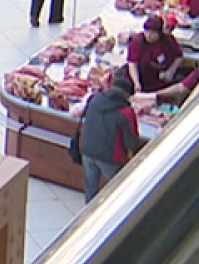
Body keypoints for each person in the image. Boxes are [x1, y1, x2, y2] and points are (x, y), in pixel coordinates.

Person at [78, 73, 139, 203]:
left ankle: (89, 215)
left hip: (87, 150)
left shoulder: (95, 99)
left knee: (91, 189)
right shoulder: (126, 112)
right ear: (126, 94)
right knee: (117, 188)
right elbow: (131, 141)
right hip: (110, 157)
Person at [127, 15, 183, 93]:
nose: (149, 35)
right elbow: (132, 64)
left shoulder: (169, 40)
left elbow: (179, 56)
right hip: (145, 82)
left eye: (153, 33)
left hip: (166, 81)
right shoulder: (137, 42)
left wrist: (171, 71)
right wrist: (136, 82)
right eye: (147, 31)